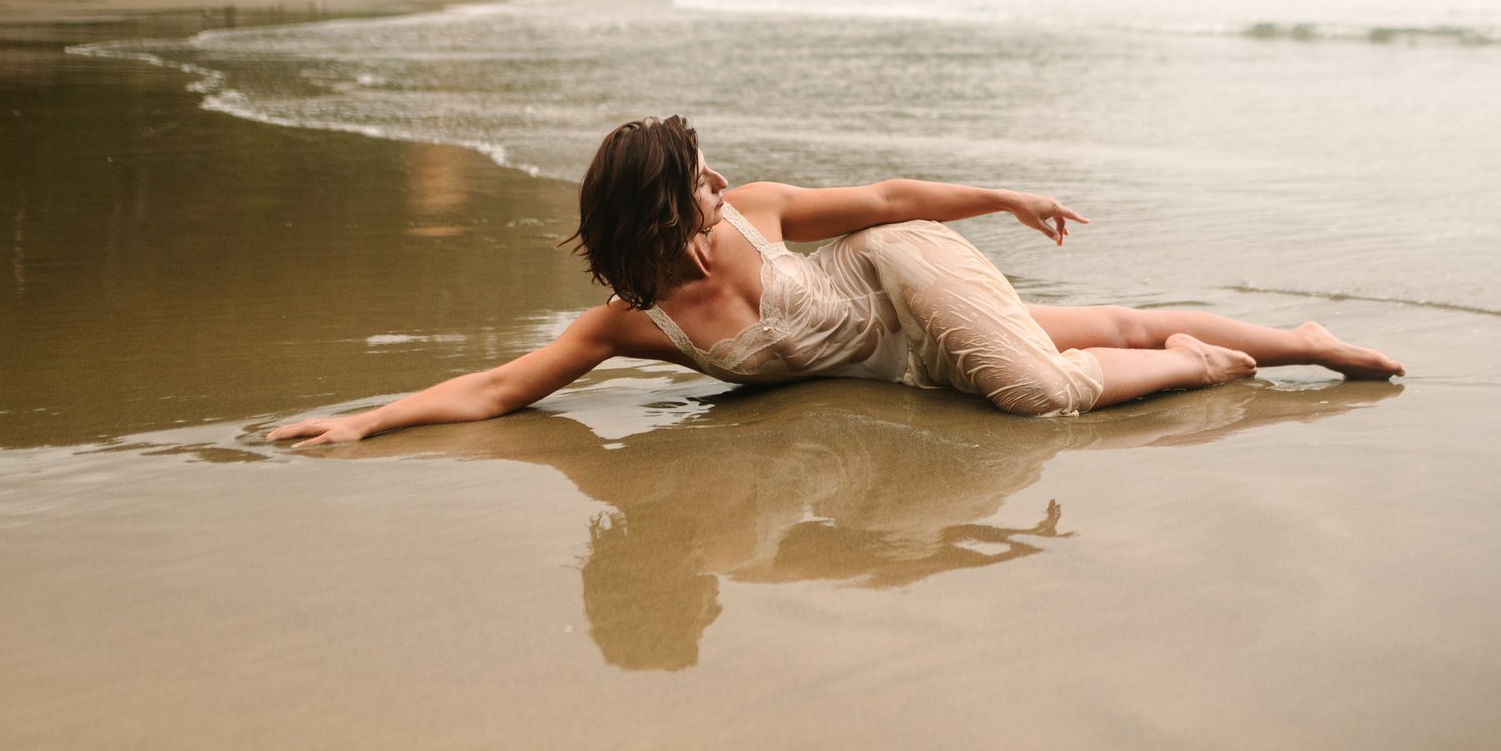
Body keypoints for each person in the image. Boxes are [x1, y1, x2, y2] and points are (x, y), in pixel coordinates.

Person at [268, 115, 1403, 446]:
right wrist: (368, 422)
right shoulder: (633, 323)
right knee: (1110, 321)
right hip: (901, 359)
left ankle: (1240, 355)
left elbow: (886, 201)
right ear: (659, 210)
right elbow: (496, 388)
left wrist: (1002, 197)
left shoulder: (757, 212)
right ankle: (1285, 334)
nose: (719, 180)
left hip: (905, 276)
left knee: (1044, 389)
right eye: (697, 178)